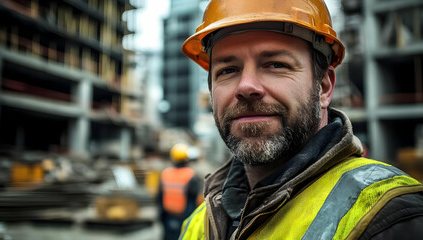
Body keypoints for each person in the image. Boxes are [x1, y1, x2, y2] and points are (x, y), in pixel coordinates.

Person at [178, 0, 423, 239]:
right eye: (228, 70)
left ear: (324, 87)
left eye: (275, 64)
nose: (246, 86)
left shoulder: (391, 215)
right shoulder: (199, 224)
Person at [157, 143, 201, 240]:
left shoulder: (165, 173)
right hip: (184, 217)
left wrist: (160, 217)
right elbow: (196, 200)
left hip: (168, 215)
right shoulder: (191, 175)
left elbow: (159, 196)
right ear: (186, 159)